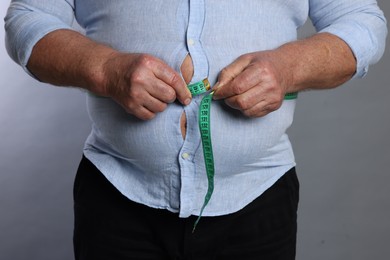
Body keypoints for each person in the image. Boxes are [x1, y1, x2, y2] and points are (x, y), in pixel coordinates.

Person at [4, 1, 387, 259]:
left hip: (257, 197)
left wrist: (289, 67)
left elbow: (363, 22)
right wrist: (106, 70)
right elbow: (27, 18)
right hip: (116, 195)